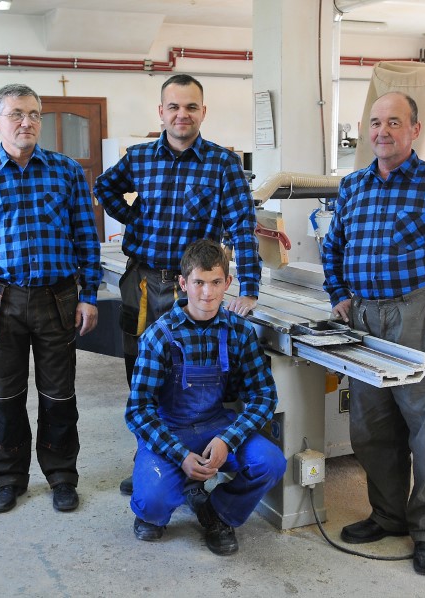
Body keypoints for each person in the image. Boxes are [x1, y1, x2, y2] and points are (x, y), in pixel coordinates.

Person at [320, 91, 425, 576]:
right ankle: (389, 515)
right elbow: (334, 246)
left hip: (421, 314)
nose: (382, 132)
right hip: (366, 317)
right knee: (371, 427)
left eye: (394, 122)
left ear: (414, 130)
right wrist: (339, 293)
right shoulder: (353, 186)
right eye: (375, 122)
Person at [94, 73, 261, 495]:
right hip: (145, 284)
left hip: (197, 287)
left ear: (203, 112)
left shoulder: (223, 164)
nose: (181, 114)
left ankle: (200, 456)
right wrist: (136, 219)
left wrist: (250, 288)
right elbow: (104, 187)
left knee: (195, 377)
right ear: (161, 112)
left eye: (190, 107)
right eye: (174, 106)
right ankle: (150, 458)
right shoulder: (139, 158)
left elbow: (242, 226)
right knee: (142, 375)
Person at [0, 83, 101, 515]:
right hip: (1, 304)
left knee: (59, 396)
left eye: (34, 114)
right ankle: (10, 479)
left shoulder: (67, 172)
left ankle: (61, 477)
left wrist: (88, 296)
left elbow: (86, 240)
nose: (27, 122)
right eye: (17, 113)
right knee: (6, 397)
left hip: (58, 300)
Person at [125, 239, 286, 556]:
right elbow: (139, 411)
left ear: (228, 282)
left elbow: (264, 396)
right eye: (198, 282)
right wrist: (180, 454)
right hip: (171, 428)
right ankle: (179, 486)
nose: (208, 293)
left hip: (216, 424)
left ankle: (218, 512)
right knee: (151, 507)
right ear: (184, 283)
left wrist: (229, 438)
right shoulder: (160, 335)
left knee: (271, 462)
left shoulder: (239, 332)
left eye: (215, 283)